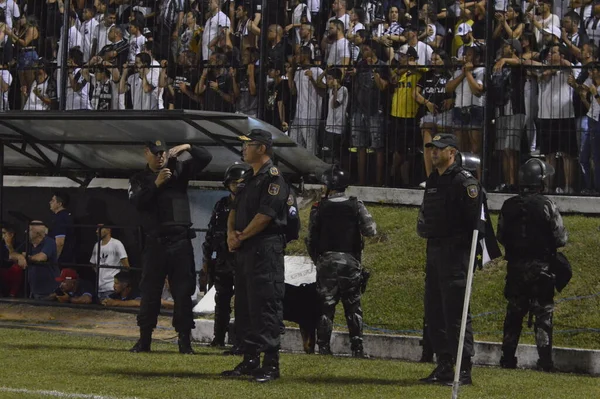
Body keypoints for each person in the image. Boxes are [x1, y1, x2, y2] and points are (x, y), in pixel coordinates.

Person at [128, 139, 212, 354]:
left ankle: (185, 341)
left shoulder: (179, 170)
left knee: (183, 294)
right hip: (155, 244)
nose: (160, 157)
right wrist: (156, 184)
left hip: (180, 243)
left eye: (163, 153)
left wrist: (187, 147)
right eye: (155, 153)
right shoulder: (139, 179)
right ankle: (144, 340)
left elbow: (205, 157)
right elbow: (137, 202)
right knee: (150, 293)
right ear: (146, 153)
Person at [222, 129, 289, 383]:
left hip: (264, 249)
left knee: (265, 306)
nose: (244, 149)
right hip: (245, 249)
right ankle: (250, 359)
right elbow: (234, 209)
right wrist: (231, 233)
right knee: (246, 306)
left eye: (248, 145)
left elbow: (265, 216)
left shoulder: (274, 179)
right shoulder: (248, 178)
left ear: (262, 148)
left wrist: (240, 236)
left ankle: (271, 364)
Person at [416, 134, 479, 386]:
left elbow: (475, 223)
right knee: (435, 311)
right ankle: (444, 364)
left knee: (456, 312)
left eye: (439, 150)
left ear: (451, 153)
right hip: (435, 252)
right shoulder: (433, 180)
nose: (433, 153)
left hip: (455, 255)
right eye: (431, 149)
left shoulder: (464, 182)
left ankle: (463, 368)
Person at [497, 158, 568, 372]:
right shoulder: (547, 205)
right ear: (540, 182)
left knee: (514, 313)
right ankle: (545, 360)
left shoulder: (508, 205)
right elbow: (560, 238)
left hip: (516, 267)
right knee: (543, 313)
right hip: (541, 268)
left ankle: (507, 358)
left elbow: (501, 235)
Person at [306, 165, 377, 357]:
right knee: (353, 306)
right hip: (350, 261)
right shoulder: (356, 205)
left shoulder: (318, 207)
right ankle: (357, 348)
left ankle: (323, 347)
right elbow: (371, 230)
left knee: (325, 307)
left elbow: (310, 238)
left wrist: (318, 260)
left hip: (326, 261)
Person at [202, 162, 250, 348]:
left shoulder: (250, 206)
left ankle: (239, 341)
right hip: (222, 261)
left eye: (240, 183)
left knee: (242, 303)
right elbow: (210, 233)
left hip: (242, 259)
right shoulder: (221, 205)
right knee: (221, 301)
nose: (236, 186)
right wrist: (207, 260)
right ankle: (218, 338)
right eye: (233, 183)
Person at [89, 224, 130, 301]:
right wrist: (101, 273)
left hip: (112, 287)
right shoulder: (97, 245)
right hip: (99, 287)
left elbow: (126, 265)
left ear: (108, 230)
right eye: (97, 228)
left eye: (100, 228)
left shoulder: (116, 244)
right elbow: (93, 263)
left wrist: (119, 281)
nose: (97, 231)